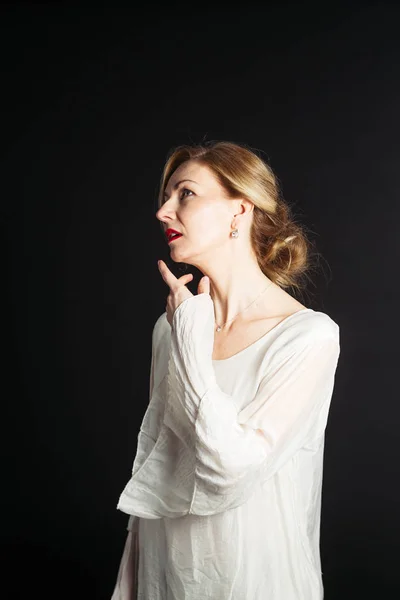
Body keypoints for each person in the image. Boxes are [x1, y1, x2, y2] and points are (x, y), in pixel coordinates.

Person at [111, 141, 340, 599]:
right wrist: (129, 588)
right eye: (166, 196)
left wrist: (191, 346)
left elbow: (229, 471)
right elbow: (159, 467)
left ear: (240, 209)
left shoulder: (307, 337)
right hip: (166, 579)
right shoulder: (172, 326)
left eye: (186, 194)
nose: (163, 211)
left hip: (256, 581)